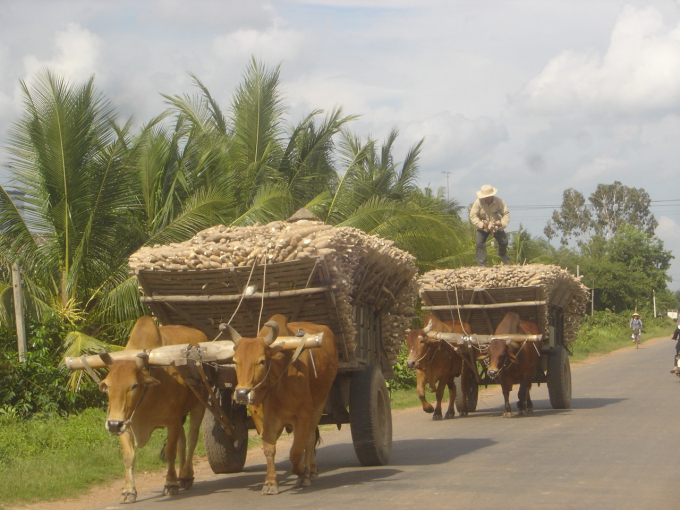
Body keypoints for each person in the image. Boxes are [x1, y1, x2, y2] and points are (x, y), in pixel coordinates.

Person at [469, 184, 510, 267]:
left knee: (504, 241)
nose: (487, 198)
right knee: (479, 243)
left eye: (488, 196)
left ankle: (502, 253)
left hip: (495, 225)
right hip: (483, 226)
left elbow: (505, 214)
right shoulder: (478, 202)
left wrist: (502, 224)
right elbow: (473, 215)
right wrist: (482, 225)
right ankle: (482, 264)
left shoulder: (499, 201)